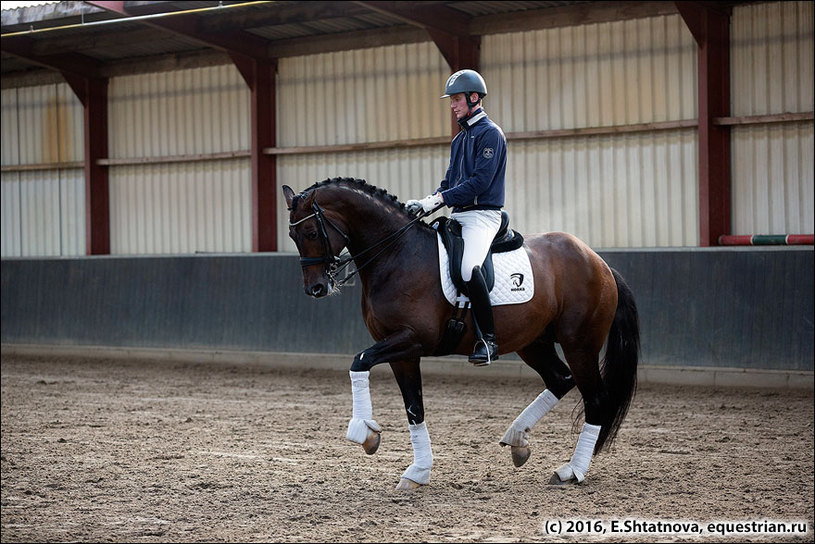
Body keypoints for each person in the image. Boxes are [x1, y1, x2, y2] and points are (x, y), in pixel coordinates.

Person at [406, 69, 507, 366]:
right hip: (459, 215)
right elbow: (449, 183)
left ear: (474, 98)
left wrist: (438, 200)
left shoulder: (490, 134)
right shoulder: (459, 140)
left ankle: (488, 341)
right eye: (451, 100)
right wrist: (426, 204)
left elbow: (479, 183)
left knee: (467, 268)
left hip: (483, 216)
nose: (452, 105)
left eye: (457, 99)